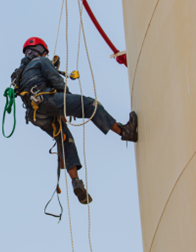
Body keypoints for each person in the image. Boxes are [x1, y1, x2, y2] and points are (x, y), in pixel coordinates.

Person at [11, 37, 138, 204]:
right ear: (39, 50)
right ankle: (125, 131)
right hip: (47, 101)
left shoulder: (20, 73)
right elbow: (57, 81)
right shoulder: (41, 61)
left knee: (64, 139)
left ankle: (75, 181)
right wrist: (68, 101)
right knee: (90, 105)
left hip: (35, 115)